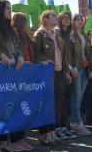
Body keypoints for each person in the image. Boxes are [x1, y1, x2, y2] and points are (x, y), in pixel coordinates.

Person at [0, 0, 25, 152]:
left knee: (7, 108)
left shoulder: (11, 30)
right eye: (7, 8)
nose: (10, 11)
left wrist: (21, 57)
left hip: (11, 73)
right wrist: (2, 56)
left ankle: (5, 141)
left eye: (10, 8)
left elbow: (17, 48)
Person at [35, 10, 72, 146]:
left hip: (60, 73)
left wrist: (67, 72)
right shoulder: (40, 34)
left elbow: (63, 55)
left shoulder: (56, 34)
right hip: (47, 74)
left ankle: (52, 132)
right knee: (47, 104)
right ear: (45, 19)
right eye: (53, 16)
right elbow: (35, 54)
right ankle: (44, 134)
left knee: (57, 104)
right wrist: (43, 60)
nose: (56, 18)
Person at [10, 12, 35, 151]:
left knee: (25, 107)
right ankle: (14, 140)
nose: (28, 24)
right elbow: (16, 53)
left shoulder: (27, 37)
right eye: (26, 21)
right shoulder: (15, 35)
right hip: (17, 74)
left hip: (27, 74)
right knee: (16, 108)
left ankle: (21, 138)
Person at [70, 13, 92, 136]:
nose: (79, 22)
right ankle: (79, 124)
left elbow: (88, 53)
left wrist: (90, 68)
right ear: (73, 22)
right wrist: (75, 65)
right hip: (76, 68)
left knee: (79, 97)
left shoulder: (84, 35)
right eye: (76, 20)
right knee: (75, 96)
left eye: (80, 20)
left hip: (85, 68)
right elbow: (70, 54)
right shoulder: (71, 35)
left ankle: (74, 123)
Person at [56, 11, 77, 140]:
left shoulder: (71, 35)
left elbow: (74, 54)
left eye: (68, 18)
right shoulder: (57, 33)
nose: (67, 20)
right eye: (64, 17)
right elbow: (60, 54)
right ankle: (58, 128)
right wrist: (68, 68)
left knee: (67, 100)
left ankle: (65, 127)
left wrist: (74, 67)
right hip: (62, 70)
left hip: (71, 70)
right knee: (60, 100)